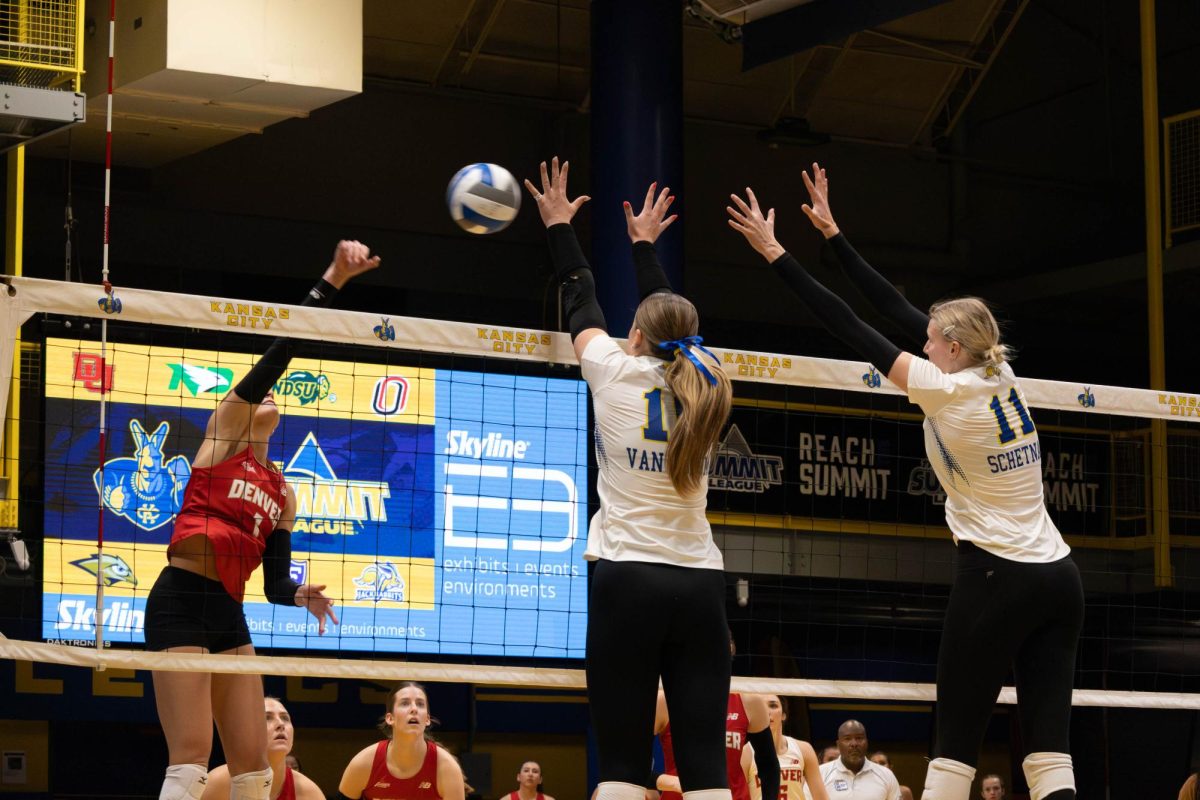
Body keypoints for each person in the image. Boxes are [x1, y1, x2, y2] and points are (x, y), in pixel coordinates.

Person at [727, 165, 1083, 800]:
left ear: (949, 346)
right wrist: (835, 236)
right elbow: (892, 308)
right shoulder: (998, 375)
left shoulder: (947, 394)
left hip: (998, 575)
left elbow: (853, 327)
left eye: (928, 337)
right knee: (1050, 748)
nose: (919, 339)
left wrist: (777, 253)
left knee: (955, 741)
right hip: (1060, 577)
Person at [525, 157, 743, 800]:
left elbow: (579, 294)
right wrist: (645, 248)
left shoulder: (614, 371)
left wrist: (560, 225)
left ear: (637, 334)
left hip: (629, 579)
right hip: (701, 585)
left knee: (621, 764)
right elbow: (676, 328)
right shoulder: (707, 381)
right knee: (706, 770)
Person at [147, 241, 377, 800]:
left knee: (254, 769)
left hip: (228, 612)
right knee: (191, 761)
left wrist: (302, 595)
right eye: (261, 391)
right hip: (180, 598)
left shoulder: (283, 491)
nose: (270, 393)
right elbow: (282, 352)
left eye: (275, 394)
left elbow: (273, 584)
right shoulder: (223, 435)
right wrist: (333, 278)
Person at [337, 681, 466, 800]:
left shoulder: (447, 768)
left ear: (427, 719)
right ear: (390, 718)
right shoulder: (363, 764)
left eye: (420, 704)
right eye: (405, 703)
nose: (414, 709)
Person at [653, 688, 779, 800]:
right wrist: (671, 782)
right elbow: (635, 767)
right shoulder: (664, 700)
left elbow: (769, 766)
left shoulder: (748, 701)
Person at [202, 697, 325, 800]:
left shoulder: (309, 793)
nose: (281, 724)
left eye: (285, 718)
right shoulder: (218, 783)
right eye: (267, 717)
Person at [742, 694, 828, 800]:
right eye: (761, 707)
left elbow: (821, 798)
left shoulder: (804, 749)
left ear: (783, 715)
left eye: (773, 706)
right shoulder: (745, 753)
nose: (767, 712)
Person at [817, 722, 900, 800]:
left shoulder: (886, 775)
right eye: (847, 739)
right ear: (838, 745)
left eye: (859, 738)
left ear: (867, 742)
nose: (854, 744)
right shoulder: (821, 774)